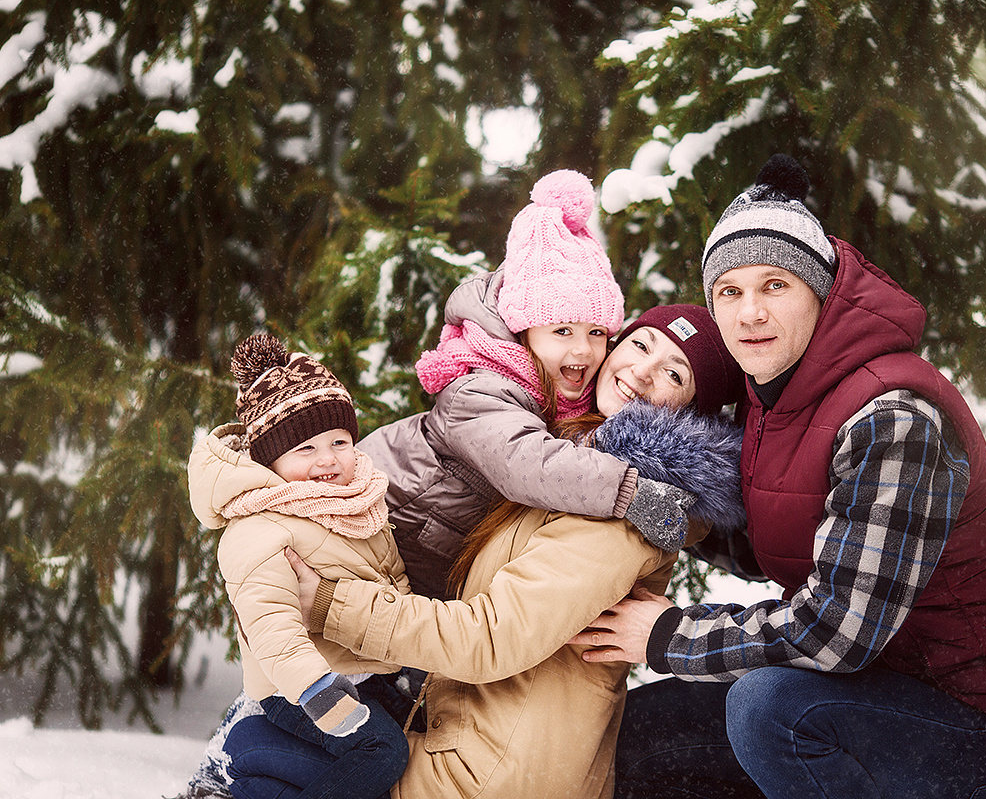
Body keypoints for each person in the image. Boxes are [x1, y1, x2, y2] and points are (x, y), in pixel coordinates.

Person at [571, 154, 986, 799]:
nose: (750, 313)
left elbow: (838, 630)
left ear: (822, 292)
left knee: (767, 709)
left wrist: (666, 635)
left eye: (775, 285)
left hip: (975, 730)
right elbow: (787, 534)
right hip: (865, 690)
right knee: (637, 737)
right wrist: (672, 514)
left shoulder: (893, 418)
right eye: (731, 291)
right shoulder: (775, 396)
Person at [188, 303, 747, 799]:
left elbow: (491, 636)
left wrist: (331, 603)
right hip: (471, 740)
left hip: (485, 773)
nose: (642, 372)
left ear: (693, 410)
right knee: (266, 745)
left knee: (267, 752)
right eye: (641, 344)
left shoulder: (631, 503)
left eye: (674, 372)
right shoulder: (563, 461)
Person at [358, 168, 704, 599]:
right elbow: (527, 461)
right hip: (374, 533)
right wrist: (627, 491)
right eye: (562, 332)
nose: (582, 351)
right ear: (523, 330)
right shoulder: (479, 387)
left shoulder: (563, 390)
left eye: (596, 333)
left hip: (423, 567)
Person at [188, 333, 412, 799]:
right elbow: (272, 628)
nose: (328, 460)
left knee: (428, 720)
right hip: (298, 688)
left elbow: (392, 577)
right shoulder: (261, 526)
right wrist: (318, 693)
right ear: (271, 460)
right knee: (384, 751)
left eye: (339, 441)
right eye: (305, 449)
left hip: (364, 670)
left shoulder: (358, 501)